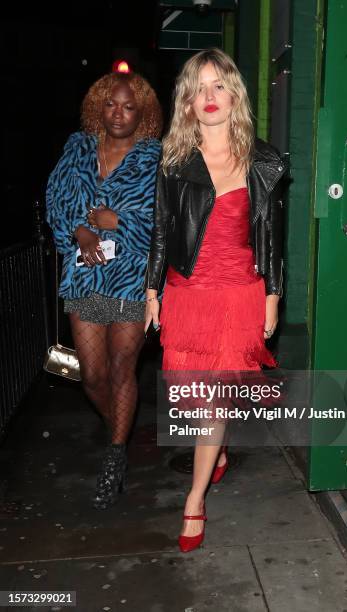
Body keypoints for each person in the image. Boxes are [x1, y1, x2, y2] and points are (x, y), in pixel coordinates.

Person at [145, 48, 288, 551]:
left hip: (239, 295)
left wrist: (273, 294)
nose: (210, 96)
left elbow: (271, 237)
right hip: (189, 293)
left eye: (219, 85)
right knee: (196, 396)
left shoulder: (263, 161)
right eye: (199, 87)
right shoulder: (174, 162)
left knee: (211, 403)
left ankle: (194, 501)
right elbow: (161, 232)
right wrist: (151, 290)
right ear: (187, 100)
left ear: (235, 96)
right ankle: (218, 451)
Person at [46, 71, 162, 509]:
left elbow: (162, 224)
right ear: (99, 105)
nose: (119, 113)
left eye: (129, 106)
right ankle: (120, 428)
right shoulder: (77, 150)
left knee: (120, 367)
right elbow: (56, 200)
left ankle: (114, 458)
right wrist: (79, 230)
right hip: (85, 275)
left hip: (132, 277)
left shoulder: (154, 159)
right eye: (111, 104)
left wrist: (120, 224)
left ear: (143, 113)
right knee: (91, 375)